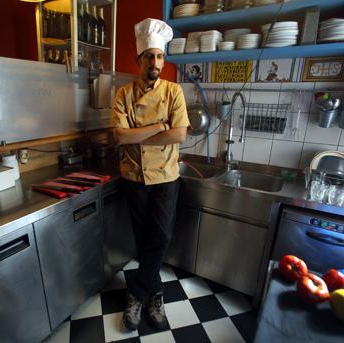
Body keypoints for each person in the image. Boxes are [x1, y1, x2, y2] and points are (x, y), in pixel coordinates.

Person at [111, 18, 189, 331]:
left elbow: (180, 135)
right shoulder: (123, 94)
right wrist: (158, 127)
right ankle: (155, 294)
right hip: (134, 177)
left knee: (161, 237)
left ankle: (137, 294)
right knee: (144, 241)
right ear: (139, 60)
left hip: (166, 177)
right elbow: (120, 137)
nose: (154, 62)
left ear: (163, 60)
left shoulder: (174, 92)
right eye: (149, 56)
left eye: (159, 56)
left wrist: (137, 133)